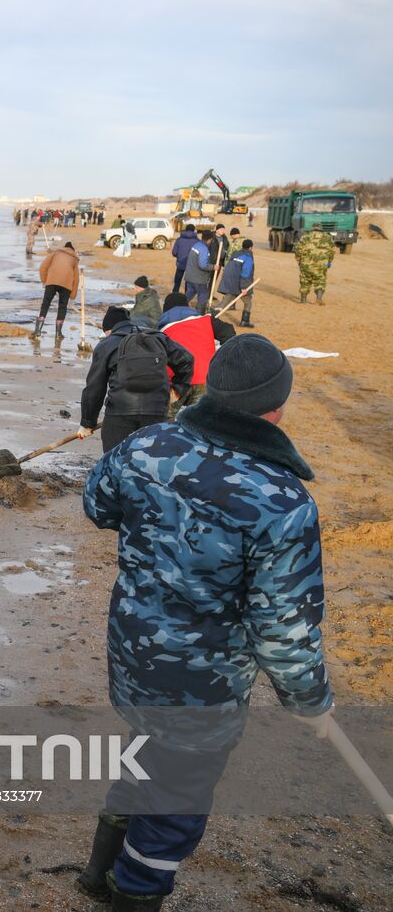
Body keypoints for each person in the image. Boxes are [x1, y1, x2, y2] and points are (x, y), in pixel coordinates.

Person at [78, 334, 332, 910]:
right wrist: (310, 702)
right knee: (176, 802)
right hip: (202, 686)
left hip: (134, 655)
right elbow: (284, 628)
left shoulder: (147, 447)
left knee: (143, 757)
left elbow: (97, 505)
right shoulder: (283, 500)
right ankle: (129, 894)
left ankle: (98, 875)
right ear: (277, 407)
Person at [78, 307, 194, 451]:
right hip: (157, 409)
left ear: (109, 329)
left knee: (115, 460)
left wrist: (87, 423)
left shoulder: (106, 344)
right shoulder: (158, 337)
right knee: (150, 460)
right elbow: (187, 360)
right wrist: (178, 389)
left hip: (120, 412)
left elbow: (95, 388)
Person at [158, 293, 236, 415]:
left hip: (177, 382)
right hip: (205, 379)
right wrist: (222, 358)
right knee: (200, 420)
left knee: (166, 420)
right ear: (187, 306)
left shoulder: (162, 329)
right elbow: (228, 332)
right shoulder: (206, 319)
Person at [32, 241, 81, 341]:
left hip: (52, 280)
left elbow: (43, 267)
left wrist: (44, 280)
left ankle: (38, 331)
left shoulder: (56, 253)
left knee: (45, 304)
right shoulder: (74, 259)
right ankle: (58, 334)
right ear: (73, 250)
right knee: (62, 307)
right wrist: (72, 297)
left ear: (64, 247)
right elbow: (76, 279)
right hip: (66, 284)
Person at [215, 239, 257, 327]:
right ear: (250, 247)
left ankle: (212, 316)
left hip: (229, 279)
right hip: (237, 282)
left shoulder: (236, 254)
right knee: (248, 302)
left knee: (226, 299)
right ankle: (245, 321)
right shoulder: (248, 257)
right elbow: (245, 273)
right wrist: (243, 287)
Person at [294, 229, 337, 304]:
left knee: (305, 281)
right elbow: (332, 251)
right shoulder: (328, 238)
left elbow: (298, 250)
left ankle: (303, 300)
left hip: (306, 264)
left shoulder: (305, 237)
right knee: (320, 281)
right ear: (321, 229)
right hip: (321, 265)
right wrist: (329, 261)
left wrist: (299, 260)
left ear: (312, 229)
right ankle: (319, 299)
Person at [183, 235, 217, 309]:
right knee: (202, 297)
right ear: (209, 239)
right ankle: (200, 314)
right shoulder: (203, 249)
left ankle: (179, 307)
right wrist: (213, 267)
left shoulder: (196, 245)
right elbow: (203, 265)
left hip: (190, 276)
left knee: (189, 294)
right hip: (199, 279)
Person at [170, 224, 200, 294]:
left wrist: (179, 256)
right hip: (191, 265)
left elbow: (174, 253)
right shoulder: (197, 241)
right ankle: (186, 297)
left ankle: (175, 294)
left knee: (177, 282)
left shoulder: (179, 240)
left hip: (180, 264)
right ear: (194, 230)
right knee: (188, 283)